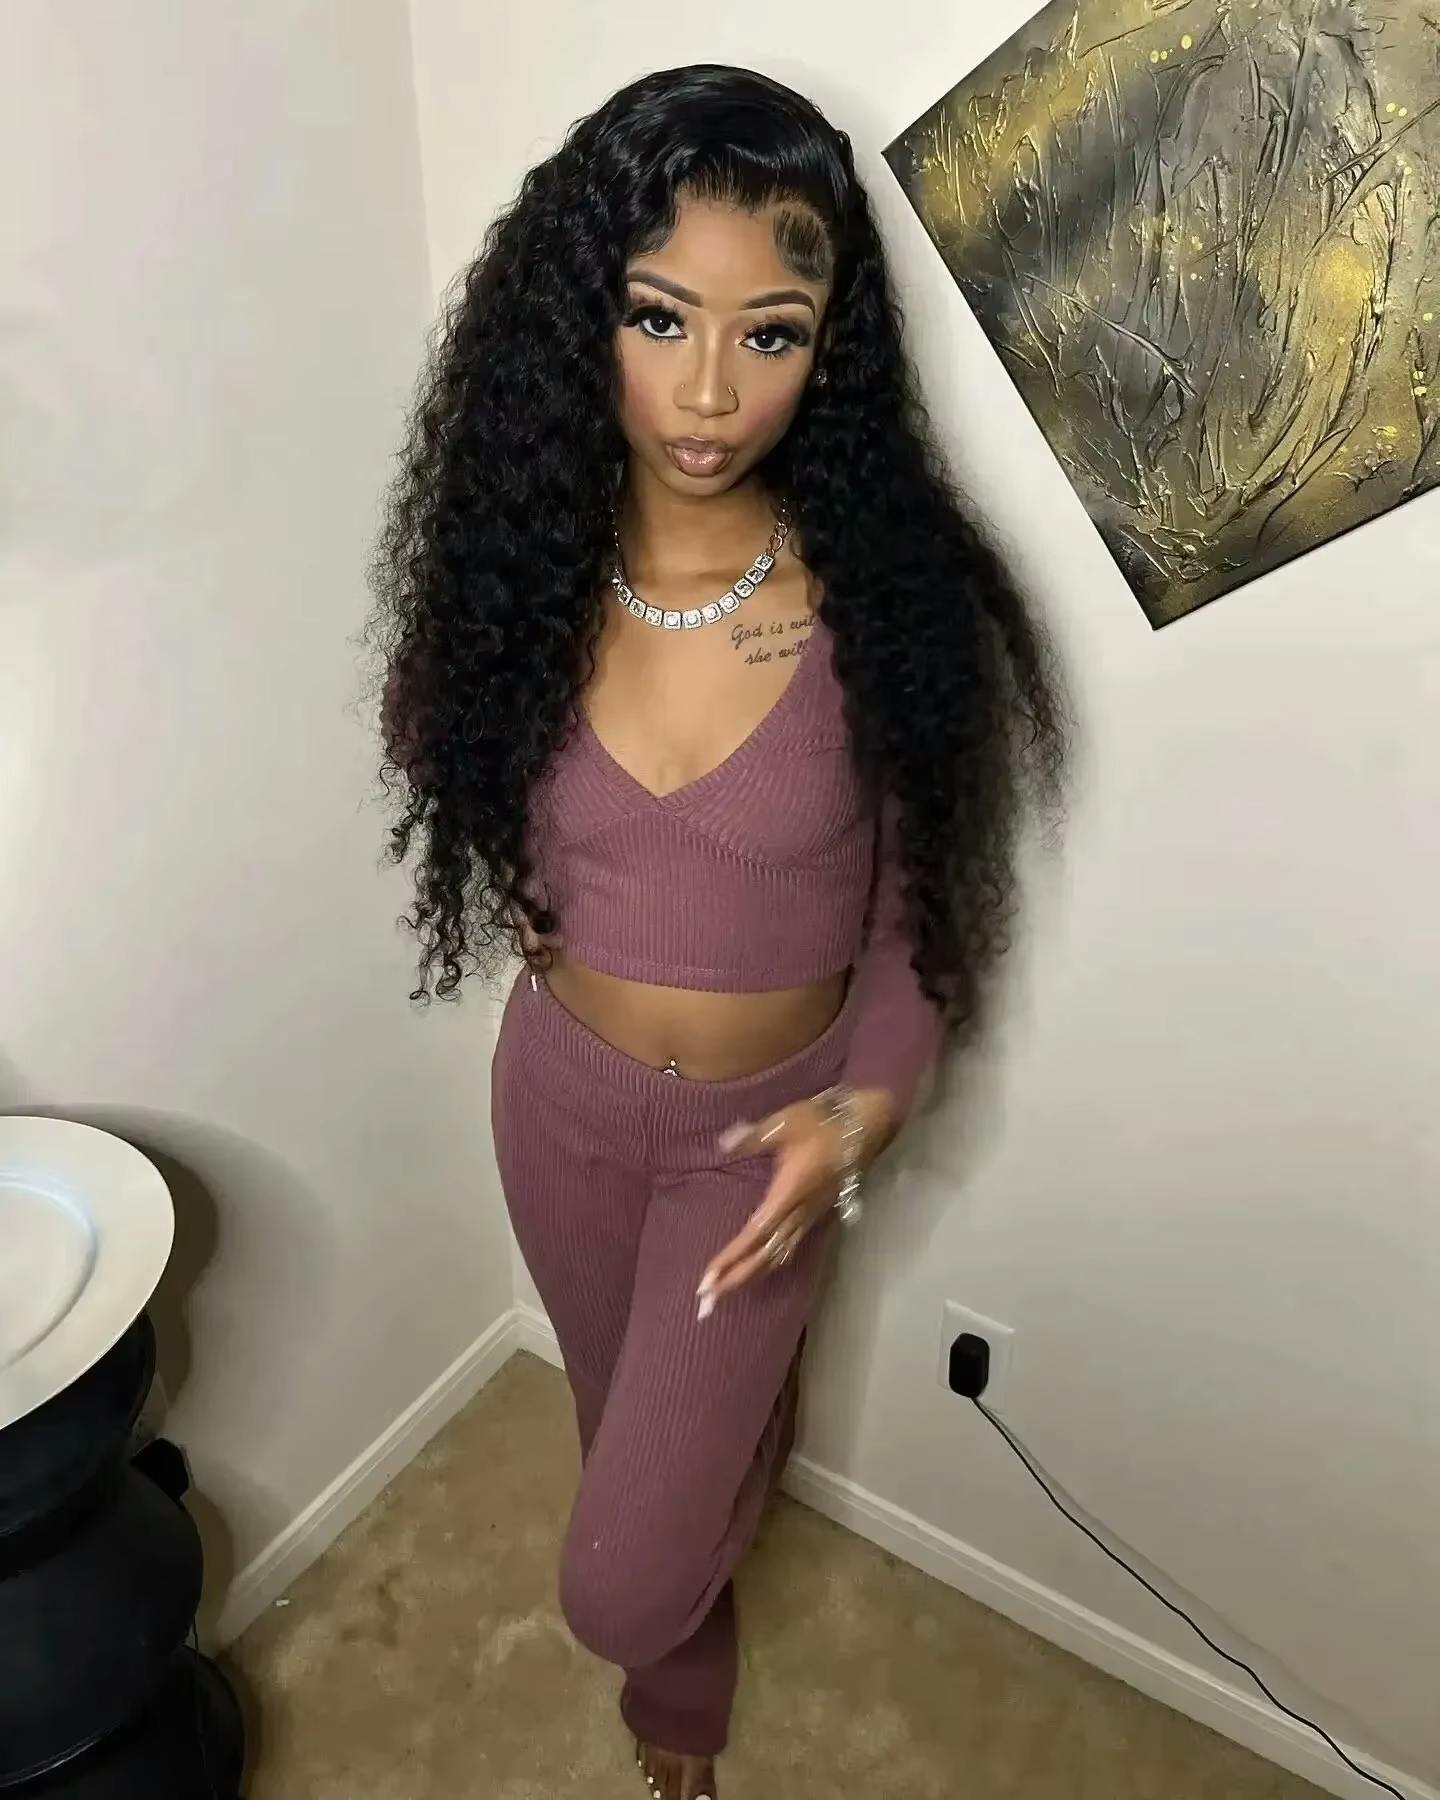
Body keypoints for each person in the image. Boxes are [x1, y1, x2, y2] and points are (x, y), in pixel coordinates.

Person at [370, 63, 1064, 1800]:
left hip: (764, 1147)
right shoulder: (514, 575)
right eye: (658, 315)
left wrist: (865, 1113)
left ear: (831, 348)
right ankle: (684, 1719)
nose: (705, 390)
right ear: (579, 318)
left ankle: (704, 1515)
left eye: (770, 334)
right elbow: (444, 754)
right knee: (616, 1423)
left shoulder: (882, 602)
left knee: (619, 1577)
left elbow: (922, 916)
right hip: (559, 1110)